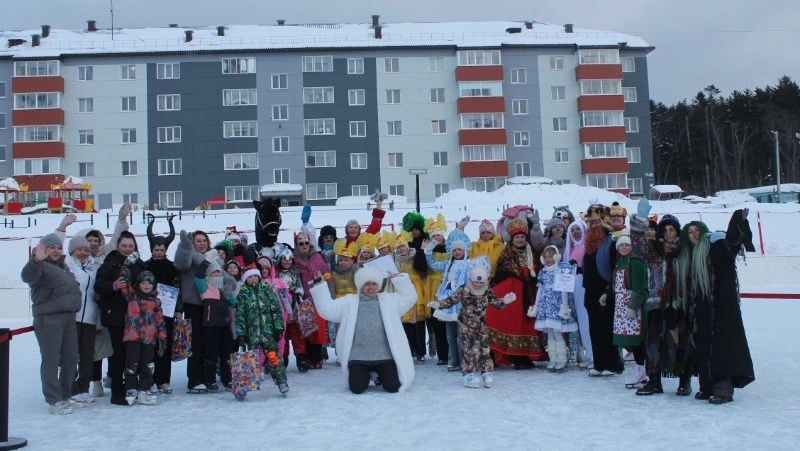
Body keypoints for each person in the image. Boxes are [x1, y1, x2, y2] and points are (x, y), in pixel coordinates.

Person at [678, 210, 755, 404]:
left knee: (720, 346)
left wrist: (738, 220)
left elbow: (732, 245)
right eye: (690, 232)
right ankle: (707, 386)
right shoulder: (689, 256)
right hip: (700, 309)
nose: (694, 235)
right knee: (702, 346)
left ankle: (723, 389)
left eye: (697, 231)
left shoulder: (716, 247)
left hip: (720, 308)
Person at [310, 267, 417, 394]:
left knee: (393, 387)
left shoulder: (389, 301)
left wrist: (398, 279)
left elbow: (410, 297)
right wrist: (319, 286)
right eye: (367, 284)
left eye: (374, 284)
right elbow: (327, 309)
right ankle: (368, 373)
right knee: (357, 388)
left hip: (383, 355)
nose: (371, 287)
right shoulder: (349, 302)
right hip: (358, 356)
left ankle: (377, 373)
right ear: (360, 286)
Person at [428, 257, 516, 388]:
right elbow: (451, 300)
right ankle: (469, 374)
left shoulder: (487, 290)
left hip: (481, 325)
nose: (478, 284)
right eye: (476, 281)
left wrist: (505, 301)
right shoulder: (464, 289)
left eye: (481, 282)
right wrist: (439, 304)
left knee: (484, 349)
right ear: (471, 278)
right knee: (470, 350)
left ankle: (486, 372)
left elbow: (496, 303)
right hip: (466, 325)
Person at [21, 234, 82, 415]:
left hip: (69, 318)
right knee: (51, 359)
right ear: (43, 250)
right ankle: (54, 400)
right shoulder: (40, 266)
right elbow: (27, 276)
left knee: (71, 358)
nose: (56, 250)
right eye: (51, 247)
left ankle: (65, 395)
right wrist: (36, 261)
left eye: (58, 247)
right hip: (49, 319)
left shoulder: (63, 267)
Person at [94, 232, 147, 405]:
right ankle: (117, 392)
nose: (127, 249)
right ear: (118, 246)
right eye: (124, 246)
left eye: (130, 246)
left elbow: (150, 284)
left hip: (136, 317)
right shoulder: (109, 263)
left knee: (134, 354)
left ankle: (133, 387)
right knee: (117, 355)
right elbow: (99, 286)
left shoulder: (139, 263)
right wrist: (114, 285)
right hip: (116, 316)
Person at [488, 218, 546, 369]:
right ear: (512, 239)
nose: (520, 239)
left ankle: (525, 356)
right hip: (513, 291)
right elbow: (502, 271)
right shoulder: (507, 252)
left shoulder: (531, 251)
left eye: (522, 237)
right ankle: (514, 355)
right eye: (517, 237)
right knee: (513, 323)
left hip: (529, 292)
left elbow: (538, 268)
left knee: (527, 324)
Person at [581, 204, 624, 377]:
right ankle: (599, 363)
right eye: (591, 223)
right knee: (594, 327)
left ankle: (612, 364)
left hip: (605, 291)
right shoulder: (590, 244)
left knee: (607, 328)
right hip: (590, 290)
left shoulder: (612, 242)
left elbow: (616, 268)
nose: (594, 226)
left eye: (597, 222)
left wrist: (610, 290)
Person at [424, 219, 471, 372]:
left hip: (462, 302)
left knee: (461, 336)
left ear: (465, 250)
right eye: (455, 250)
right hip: (448, 301)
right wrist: (430, 248)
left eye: (460, 249)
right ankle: (453, 361)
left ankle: (465, 362)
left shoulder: (469, 264)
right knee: (450, 336)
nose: (457, 252)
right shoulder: (447, 263)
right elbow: (432, 264)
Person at [236, 268, 289, 399]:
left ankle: (281, 381)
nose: (253, 279)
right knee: (250, 360)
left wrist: (278, 327)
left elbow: (276, 310)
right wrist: (241, 333)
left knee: (273, 358)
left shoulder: (267, 291)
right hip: (252, 334)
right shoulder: (243, 294)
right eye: (250, 277)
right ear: (245, 280)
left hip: (268, 332)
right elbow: (240, 315)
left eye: (255, 276)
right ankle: (244, 386)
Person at [603, 235, 648, 388]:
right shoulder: (620, 263)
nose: (623, 248)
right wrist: (607, 294)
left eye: (627, 245)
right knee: (631, 341)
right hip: (621, 306)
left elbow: (639, 287)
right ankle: (640, 369)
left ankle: (642, 370)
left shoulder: (635, 263)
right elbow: (616, 284)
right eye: (621, 246)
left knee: (637, 340)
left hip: (632, 305)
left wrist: (633, 306)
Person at [145, 215, 180, 395]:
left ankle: (164, 380)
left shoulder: (172, 267)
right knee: (149, 347)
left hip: (167, 313)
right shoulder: (145, 266)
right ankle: (149, 380)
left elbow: (177, 287)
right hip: (147, 313)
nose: (159, 252)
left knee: (165, 346)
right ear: (152, 249)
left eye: (161, 249)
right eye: (156, 249)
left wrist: (179, 309)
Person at [529, 245, 578, 372]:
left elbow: (564, 289)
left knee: (557, 332)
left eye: (550, 256)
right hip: (546, 306)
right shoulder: (543, 272)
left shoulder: (560, 270)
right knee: (549, 333)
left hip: (556, 305)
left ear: (556, 257)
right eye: (545, 257)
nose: (547, 259)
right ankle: (553, 358)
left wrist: (564, 305)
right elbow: (540, 289)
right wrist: (536, 305)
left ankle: (561, 359)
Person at [174, 229, 211, 393]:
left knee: (207, 343)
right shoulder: (189, 255)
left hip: (210, 304)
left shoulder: (211, 257)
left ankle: (207, 377)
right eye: (198, 240)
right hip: (194, 303)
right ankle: (195, 379)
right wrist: (186, 246)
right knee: (195, 343)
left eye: (204, 240)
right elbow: (181, 263)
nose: (202, 243)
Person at [122, 271, 167, 405]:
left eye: (149, 283)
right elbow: (124, 284)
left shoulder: (156, 301)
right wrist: (127, 267)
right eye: (143, 282)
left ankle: (144, 389)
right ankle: (131, 389)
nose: (146, 285)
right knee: (132, 363)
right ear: (138, 284)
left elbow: (160, 320)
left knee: (147, 365)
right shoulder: (132, 296)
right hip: (132, 336)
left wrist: (162, 338)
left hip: (149, 338)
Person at [65, 235, 100, 405]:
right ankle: (70, 389)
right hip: (74, 316)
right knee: (71, 355)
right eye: (79, 249)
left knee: (87, 355)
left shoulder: (93, 267)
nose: (83, 252)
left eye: (85, 249)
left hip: (90, 318)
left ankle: (84, 388)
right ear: (72, 250)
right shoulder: (67, 266)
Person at [292, 230, 333, 369]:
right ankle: (308, 358)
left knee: (319, 329)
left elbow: (326, 272)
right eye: (301, 243)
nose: (304, 245)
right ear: (297, 245)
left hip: (318, 296)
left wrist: (325, 278)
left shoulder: (317, 257)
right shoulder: (294, 259)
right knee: (306, 329)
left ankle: (317, 357)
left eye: (306, 242)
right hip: (303, 298)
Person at [194, 258, 234, 392]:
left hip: (225, 325)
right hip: (210, 326)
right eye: (214, 273)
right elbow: (197, 277)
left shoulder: (224, 290)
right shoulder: (205, 287)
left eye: (218, 273)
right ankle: (209, 380)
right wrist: (206, 261)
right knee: (211, 354)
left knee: (226, 355)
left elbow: (235, 303)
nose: (217, 275)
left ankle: (227, 379)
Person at [395, 234, 429, 362]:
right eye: (398, 248)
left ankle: (420, 352)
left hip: (417, 288)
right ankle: (410, 350)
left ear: (407, 246)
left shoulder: (415, 254)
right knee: (407, 322)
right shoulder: (396, 260)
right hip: (404, 289)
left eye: (403, 246)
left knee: (419, 321)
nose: (401, 249)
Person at [564, 220, 592, 370]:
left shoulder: (587, 247)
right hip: (574, 285)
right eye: (572, 230)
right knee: (582, 321)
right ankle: (589, 354)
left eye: (578, 229)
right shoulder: (571, 248)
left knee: (588, 319)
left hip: (584, 283)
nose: (575, 232)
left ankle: (594, 354)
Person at [275, 251, 310, 371]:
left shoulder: (295, 273)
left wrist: (297, 293)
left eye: (289, 259)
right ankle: (283, 358)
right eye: (284, 259)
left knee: (297, 333)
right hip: (281, 306)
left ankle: (301, 358)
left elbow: (300, 287)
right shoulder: (276, 273)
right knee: (282, 334)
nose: (287, 262)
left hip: (294, 306)